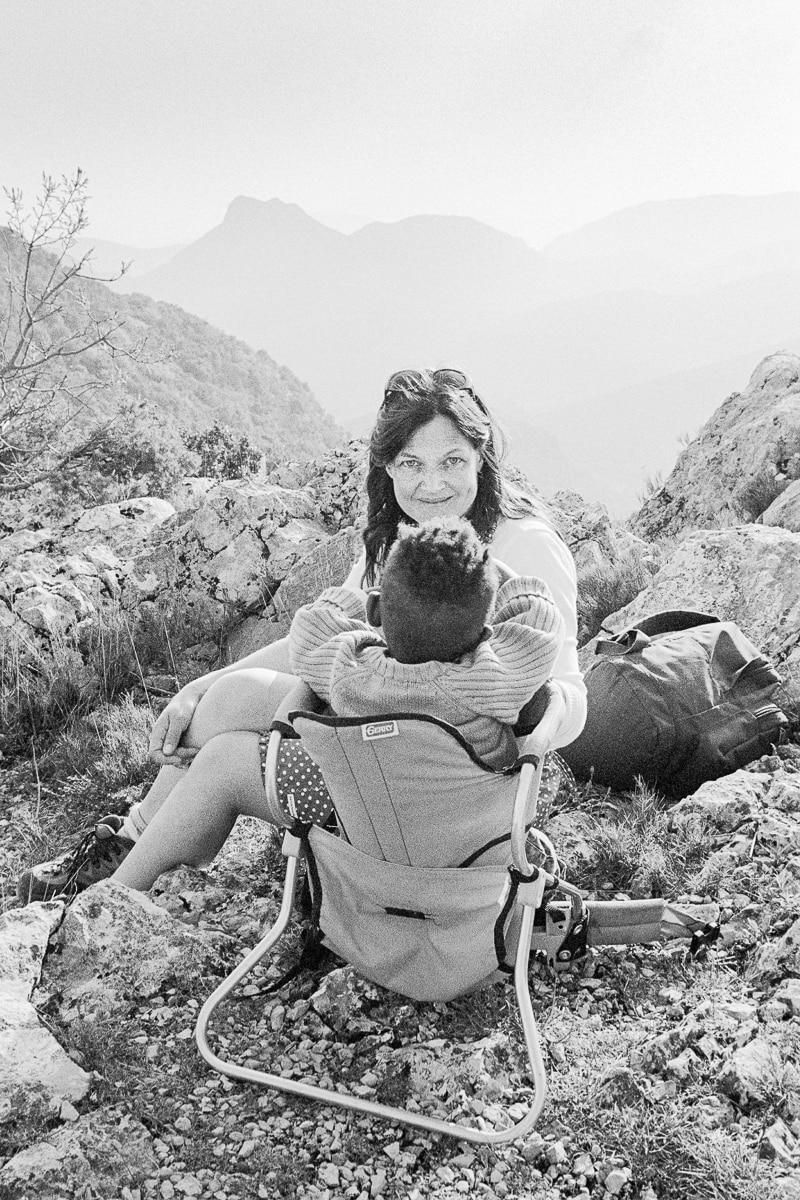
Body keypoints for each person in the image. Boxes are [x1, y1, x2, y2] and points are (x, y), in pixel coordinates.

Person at [18, 367, 586, 901]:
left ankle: (116, 885)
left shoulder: (525, 545)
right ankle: (126, 852)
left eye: (452, 462)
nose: (432, 484)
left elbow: (572, 703)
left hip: (461, 790)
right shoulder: (399, 540)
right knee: (229, 703)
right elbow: (320, 643)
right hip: (371, 748)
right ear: (386, 467)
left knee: (227, 749)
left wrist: (482, 705)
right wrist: (200, 686)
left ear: (481, 459)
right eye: (411, 463)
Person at [289, 515, 565, 768]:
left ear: (374, 611)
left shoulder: (347, 667)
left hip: (366, 807)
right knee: (549, 769)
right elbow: (541, 620)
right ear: (484, 637)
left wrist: (358, 600)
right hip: (476, 812)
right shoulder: (488, 678)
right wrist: (502, 575)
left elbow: (311, 624)